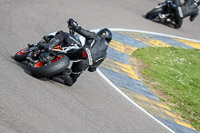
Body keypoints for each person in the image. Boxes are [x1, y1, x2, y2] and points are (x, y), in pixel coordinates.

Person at [45, 19, 112, 86]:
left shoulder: (95, 36)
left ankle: (51, 45)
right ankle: (65, 75)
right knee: (71, 81)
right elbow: (92, 69)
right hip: (85, 63)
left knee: (63, 34)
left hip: (81, 51)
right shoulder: (104, 55)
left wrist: (73, 23)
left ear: (101, 34)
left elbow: (81, 30)